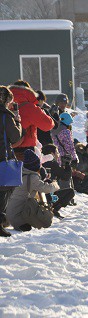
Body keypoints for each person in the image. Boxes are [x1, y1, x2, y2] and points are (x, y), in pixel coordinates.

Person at [6, 150, 59, 231]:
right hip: (18, 217)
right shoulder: (32, 177)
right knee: (44, 217)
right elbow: (46, 189)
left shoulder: (21, 173)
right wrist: (55, 184)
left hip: (11, 213)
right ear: (35, 166)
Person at [8, 80, 54, 161]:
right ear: (28, 91)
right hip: (25, 153)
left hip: (5, 151)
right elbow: (48, 125)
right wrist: (42, 112)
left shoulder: (5, 104)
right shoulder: (29, 107)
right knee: (29, 173)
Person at [0, 86, 22, 237]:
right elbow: (15, 137)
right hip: (2, 156)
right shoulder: (5, 116)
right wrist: (18, 123)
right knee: (4, 189)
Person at [41, 144, 76, 219]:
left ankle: (52, 208)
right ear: (52, 153)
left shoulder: (40, 161)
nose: (58, 155)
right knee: (70, 192)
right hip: (48, 192)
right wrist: (67, 164)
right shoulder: (53, 163)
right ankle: (54, 209)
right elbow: (65, 176)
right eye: (57, 152)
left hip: (41, 192)